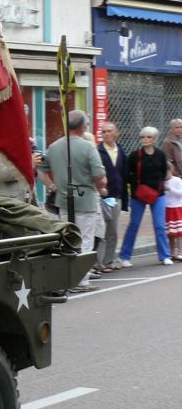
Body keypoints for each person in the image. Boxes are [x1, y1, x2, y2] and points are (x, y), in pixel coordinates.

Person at [44, 111, 107, 292]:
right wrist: (101, 184)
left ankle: (67, 279)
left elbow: (41, 169)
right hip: (85, 199)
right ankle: (81, 281)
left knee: (68, 240)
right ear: (82, 127)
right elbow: (99, 176)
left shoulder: (54, 146)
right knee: (85, 240)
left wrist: (51, 185)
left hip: (63, 199)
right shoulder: (88, 147)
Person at [118, 126, 173, 267]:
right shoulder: (135, 155)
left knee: (160, 225)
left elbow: (163, 173)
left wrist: (161, 185)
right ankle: (124, 256)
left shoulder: (160, 155)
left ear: (154, 139)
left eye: (148, 137)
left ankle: (165, 256)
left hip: (158, 194)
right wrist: (135, 189)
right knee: (134, 225)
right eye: (143, 137)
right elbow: (127, 174)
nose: (145, 139)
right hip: (139, 195)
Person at [96, 121, 128, 272]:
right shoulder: (98, 151)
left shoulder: (120, 150)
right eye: (103, 132)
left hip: (116, 196)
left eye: (109, 131)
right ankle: (99, 262)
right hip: (102, 196)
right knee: (101, 230)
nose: (106, 134)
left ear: (116, 133)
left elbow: (124, 174)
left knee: (113, 231)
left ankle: (108, 261)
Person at [164, 174, 182, 261]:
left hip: (177, 208)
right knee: (171, 233)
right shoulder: (162, 181)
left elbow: (180, 194)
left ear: (170, 170)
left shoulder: (177, 180)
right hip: (167, 209)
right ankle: (172, 253)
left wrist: (170, 189)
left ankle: (180, 253)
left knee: (179, 232)